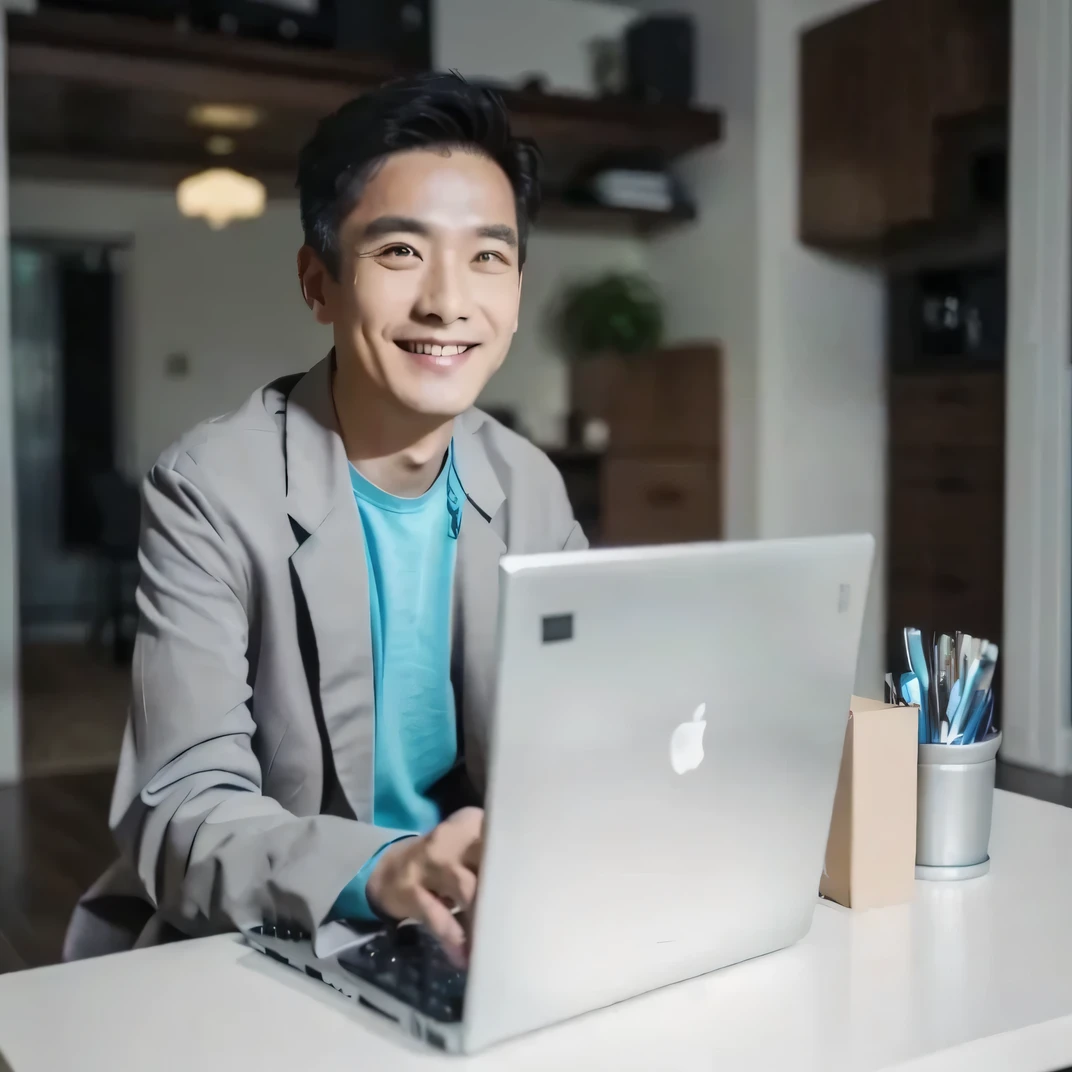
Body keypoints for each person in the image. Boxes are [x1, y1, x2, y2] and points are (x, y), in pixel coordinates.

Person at [65, 73, 586, 969]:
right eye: (400, 253)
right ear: (320, 282)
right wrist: (386, 868)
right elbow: (186, 810)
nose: (448, 302)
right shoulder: (210, 489)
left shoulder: (528, 483)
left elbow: (588, 731)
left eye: (488, 257)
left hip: (485, 932)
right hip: (277, 940)